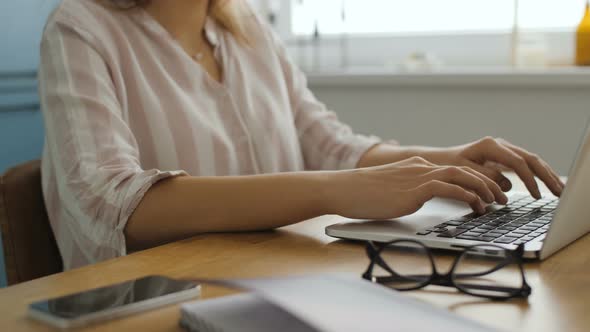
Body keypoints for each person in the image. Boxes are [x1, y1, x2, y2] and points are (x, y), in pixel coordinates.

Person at [39, 0, 564, 270]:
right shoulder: (80, 28)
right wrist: (334, 190)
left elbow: (331, 144)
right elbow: (112, 207)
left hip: (271, 281)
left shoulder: (251, 33)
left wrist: (441, 160)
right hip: (150, 304)